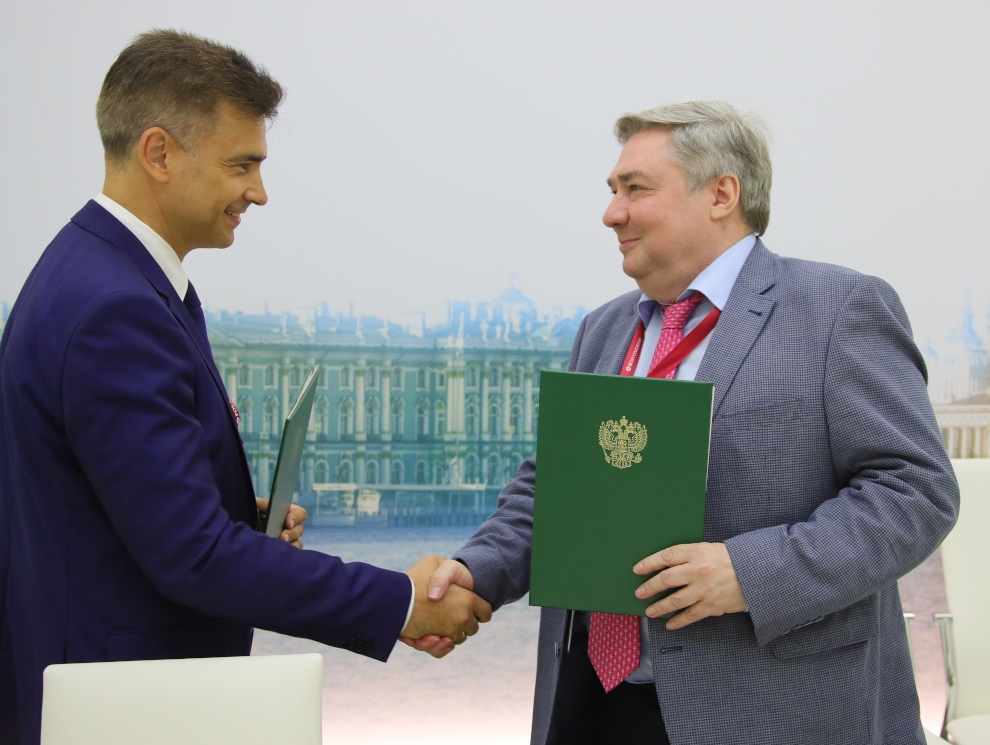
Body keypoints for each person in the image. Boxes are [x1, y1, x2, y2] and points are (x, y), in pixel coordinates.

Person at [413, 101, 959, 744]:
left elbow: (915, 491)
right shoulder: (603, 329)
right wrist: (478, 570)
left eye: (635, 189)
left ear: (721, 194)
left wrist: (749, 574)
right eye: (612, 191)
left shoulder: (839, 308)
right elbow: (560, 486)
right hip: (593, 703)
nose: (612, 213)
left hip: (772, 713)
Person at [0, 29, 490, 745]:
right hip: (122, 703)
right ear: (159, 153)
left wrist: (234, 513)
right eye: (242, 165)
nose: (258, 192)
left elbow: (99, 502)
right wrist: (401, 601)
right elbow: (194, 556)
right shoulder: (118, 308)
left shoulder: (94, 274)